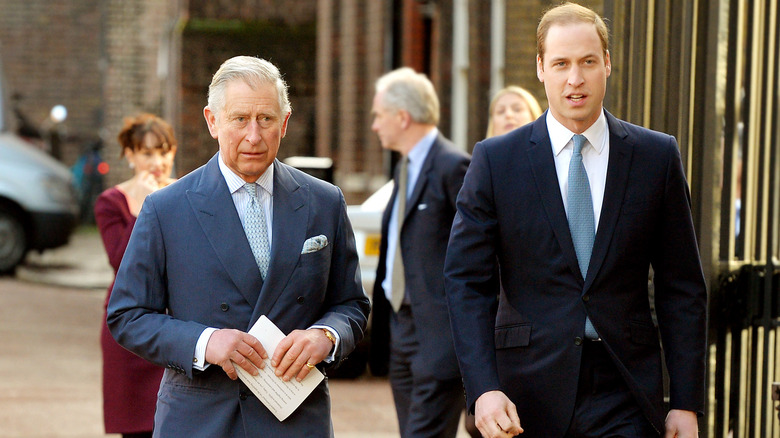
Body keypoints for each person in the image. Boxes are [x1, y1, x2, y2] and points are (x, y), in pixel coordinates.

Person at [444, 3, 707, 438]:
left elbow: (682, 287)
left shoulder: (656, 157)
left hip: (626, 387)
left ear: (607, 63)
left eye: (587, 62)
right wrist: (484, 388)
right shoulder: (495, 161)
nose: (575, 79)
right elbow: (465, 283)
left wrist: (684, 401)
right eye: (561, 63)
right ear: (541, 69)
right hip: (525, 394)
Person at [106, 56, 370, 437]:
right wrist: (205, 341)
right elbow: (127, 315)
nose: (253, 136)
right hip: (201, 420)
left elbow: (351, 305)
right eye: (239, 119)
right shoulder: (167, 208)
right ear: (212, 121)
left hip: (295, 420)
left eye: (265, 119)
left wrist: (326, 336)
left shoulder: (324, 201)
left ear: (285, 121)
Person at [367, 67, 470, 437]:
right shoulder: (404, 168)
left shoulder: (453, 166)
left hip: (439, 337)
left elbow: (481, 257)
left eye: (379, 115)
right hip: (400, 330)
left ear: (403, 117)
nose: (375, 125)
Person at [94, 113, 176, 438]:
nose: (157, 161)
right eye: (146, 152)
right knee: (138, 429)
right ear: (129, 155)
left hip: (178, 325)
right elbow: (120, 262)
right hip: (129, 333)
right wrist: (141, 209)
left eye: (164, 151)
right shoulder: (111, 202)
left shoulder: (188, 194)